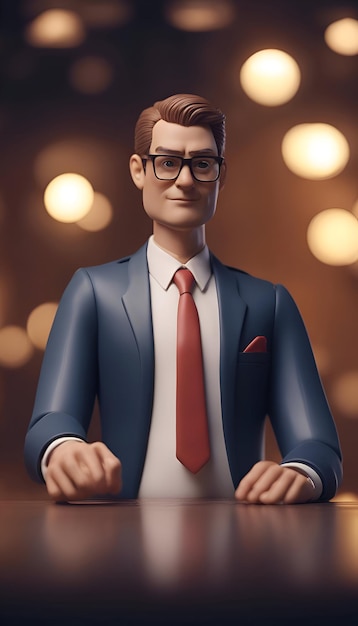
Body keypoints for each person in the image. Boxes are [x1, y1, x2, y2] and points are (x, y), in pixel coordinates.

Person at [24, 94, 342, 504]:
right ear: (139, 170)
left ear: (220, 176)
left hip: (245, 537)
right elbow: (50, 420)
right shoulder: (94, 292)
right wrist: (63, 449)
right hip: (122, 534)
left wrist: (303, 473)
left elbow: (318, 446)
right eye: (168, 162)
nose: (186, 181)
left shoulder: (268, 303)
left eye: (202, 164)